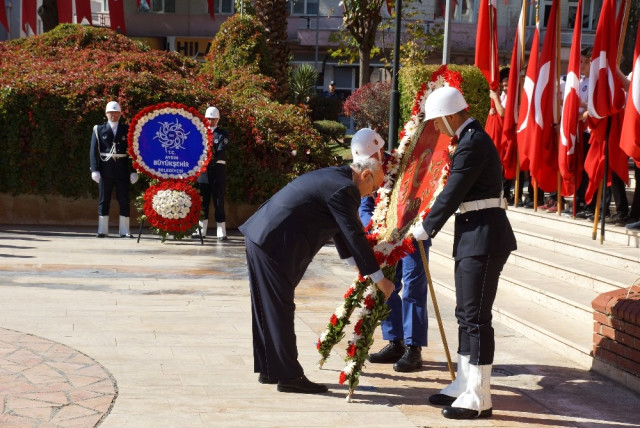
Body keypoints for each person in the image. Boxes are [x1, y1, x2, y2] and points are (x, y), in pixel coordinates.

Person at [239, 160, 395, 394]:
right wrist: (379, 278)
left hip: (263, 237)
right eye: (374, 186)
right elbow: (354, 234)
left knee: (267, 307)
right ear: (365, 175)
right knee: (278, 308)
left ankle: (270, 369)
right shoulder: (345, 188)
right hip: (273, 244)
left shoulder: (336, 179)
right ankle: (289, 376)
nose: (372, 193)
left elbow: (340, 230)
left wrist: (356, 265)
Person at [410, 87, 517, 420]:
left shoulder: (472, 142)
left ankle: (480, 395)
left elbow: (453, 191)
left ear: (451, 116)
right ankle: (465, 382)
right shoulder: (469, 138)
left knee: (476, 318)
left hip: (484, 238)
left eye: (438, 122)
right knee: (465, 313)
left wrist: (425, 227)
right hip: (474, 236)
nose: (437, 129)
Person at [351, 128, 431, 372]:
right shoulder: (365, 169)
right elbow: (365, 204)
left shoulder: (404, 163)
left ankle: (413, 347)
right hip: (385, 237)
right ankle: (394, 340)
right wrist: (372, 227)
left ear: (379, 150)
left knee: (413, 287)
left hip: (411, 233)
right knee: (386, 286)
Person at [89, 101, 138, 238]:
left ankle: (125, 230)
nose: (113, 115)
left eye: (116, 112)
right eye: (111, 112)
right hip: (105, 169)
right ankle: (102, 229)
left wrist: (134, 170)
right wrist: (94, 169)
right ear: (106, 114)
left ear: (120, 114)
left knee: (124, 199)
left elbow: (133, 152)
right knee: (104, 199)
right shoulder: (98, 129)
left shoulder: (127, 129)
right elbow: (93, 151)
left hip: (122, 169)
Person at [193, 106, 229, 240]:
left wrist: (207, 158)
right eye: (208, 118)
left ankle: (221, 230)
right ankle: (201, 230)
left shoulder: (222, 134)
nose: (210, 121)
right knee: (203, 202)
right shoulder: (200, 133)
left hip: (217, 172)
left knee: (218, 201)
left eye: (213, 119)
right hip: (203, 173)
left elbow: (220, 151)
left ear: (218, 119)